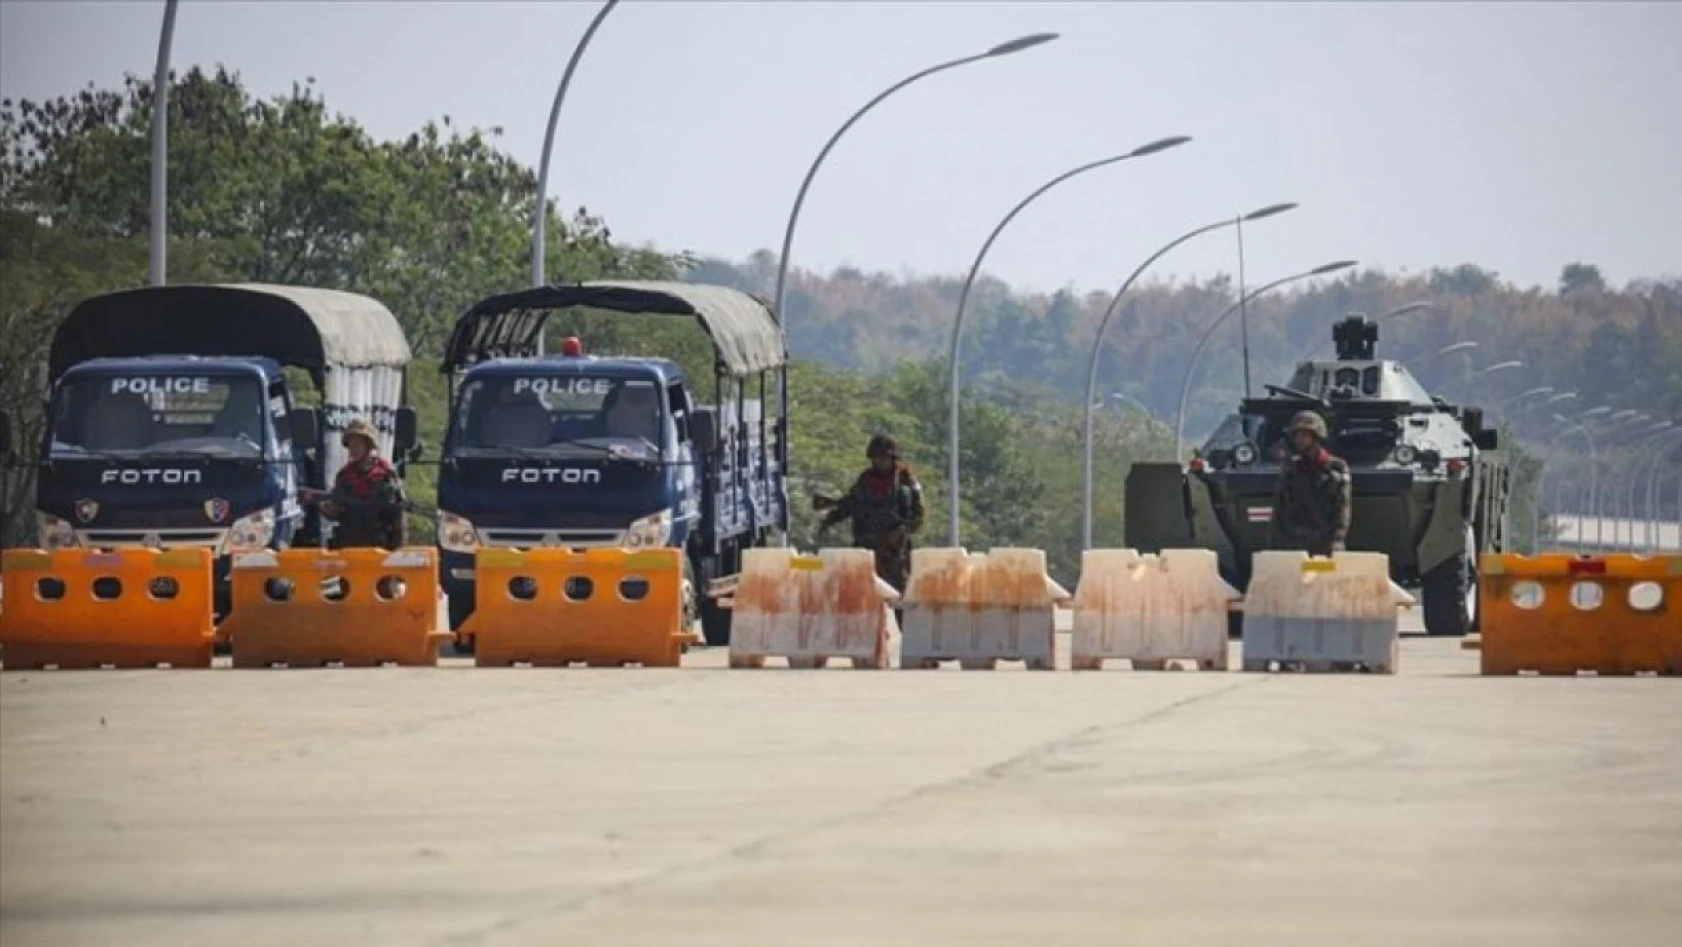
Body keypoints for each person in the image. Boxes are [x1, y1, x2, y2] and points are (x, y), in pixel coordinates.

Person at [815, 434, 925, 592]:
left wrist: (900, 531)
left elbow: (918, 516)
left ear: (893, 458)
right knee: (861, 591)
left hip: (893, 551)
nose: (882, 461)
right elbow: (851, 504)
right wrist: (829, 521)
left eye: (885, 457)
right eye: (878, 457)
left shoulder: (906, 481)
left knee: (895, 592)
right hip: (866, 546)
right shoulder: (865, 480)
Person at [1268, 411, 1352, 556]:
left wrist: (1338, 539)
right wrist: (1275, 540)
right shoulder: (1291, 469)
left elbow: (1343, 506)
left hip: (1325, 542)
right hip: (1294, 543)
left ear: (1316, 436)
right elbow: (1279, 507)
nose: (1298, 440)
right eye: (1296, 436)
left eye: (1304, 435)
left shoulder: (1335, 468)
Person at [319, 418, 407, 550]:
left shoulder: (385, 474)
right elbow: (336, 511)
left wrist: (398, 549)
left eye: (357, 444)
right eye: (350, 445)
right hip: (348, 547)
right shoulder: (344, 476)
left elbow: (399, 515)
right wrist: (328, 511)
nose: (353, 449)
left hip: (379, 547)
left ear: (368, 445)